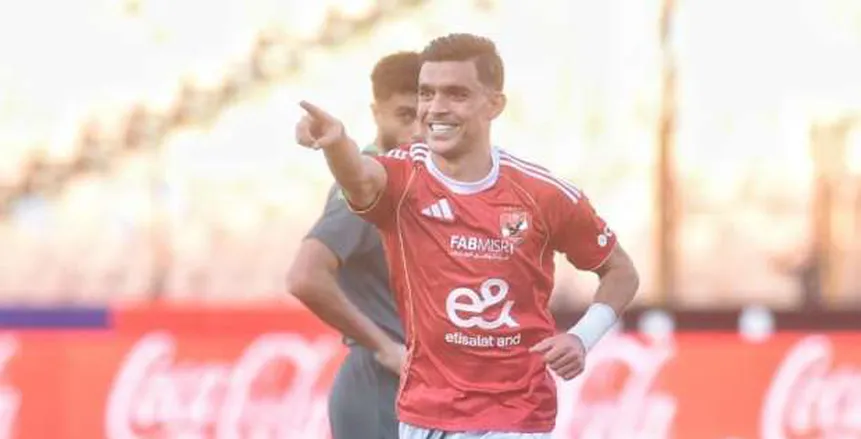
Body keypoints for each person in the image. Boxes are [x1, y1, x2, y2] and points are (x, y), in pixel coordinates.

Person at [294, 33, 640, 439]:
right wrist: (336, 145)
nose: (436, 108)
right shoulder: (402, 179)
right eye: (427, 94)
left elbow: (620, 271)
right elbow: (360, 178)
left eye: (456, 94)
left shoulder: (543, 194)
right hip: (423, 416)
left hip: (514, 416)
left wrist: (583, 337)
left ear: (494, 104)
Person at [286, 51, 422, 439]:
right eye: (405, 115)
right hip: (380, 388)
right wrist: (383, 346)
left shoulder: (413, 179)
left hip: (417, 390)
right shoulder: (367, 186)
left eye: (426, 117)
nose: (417, 130)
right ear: (376, 112)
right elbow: (305, 276)